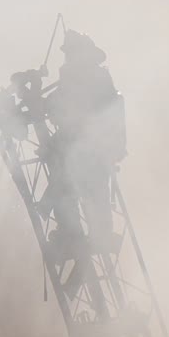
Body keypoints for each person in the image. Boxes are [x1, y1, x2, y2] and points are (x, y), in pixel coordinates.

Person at [46, 30, 126, 239]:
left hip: (92, 147)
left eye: (72, 52)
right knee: (68, 186)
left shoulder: (92, 78)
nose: (69, 57)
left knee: (77, 187)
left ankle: (85, 234)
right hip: (87, 146)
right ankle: (79, 233)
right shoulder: (83, 76)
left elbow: (73, 107)